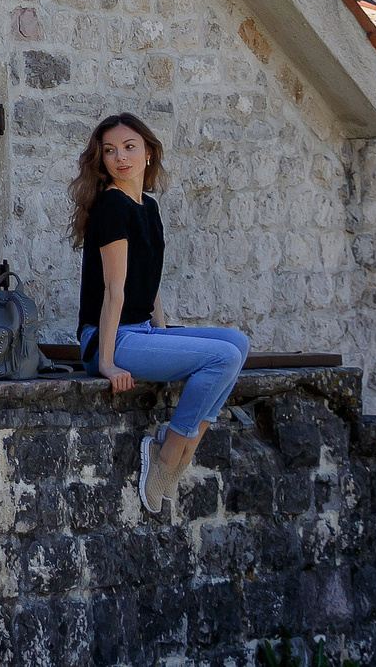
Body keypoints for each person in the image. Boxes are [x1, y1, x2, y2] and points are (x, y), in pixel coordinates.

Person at [72, 111, 250, 513]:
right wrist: (106, 363)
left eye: (129, 147)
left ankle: (184, 447)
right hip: (109, 338)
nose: (120, 157)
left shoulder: (147, 208)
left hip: (141, 332)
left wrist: (164, 332)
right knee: (222, 357)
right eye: (110, 151)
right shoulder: (111, 206)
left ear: (148, 153)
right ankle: (169, 454)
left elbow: (148, 283)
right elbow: (114, 291)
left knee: (237, 343)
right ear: (101, 159)